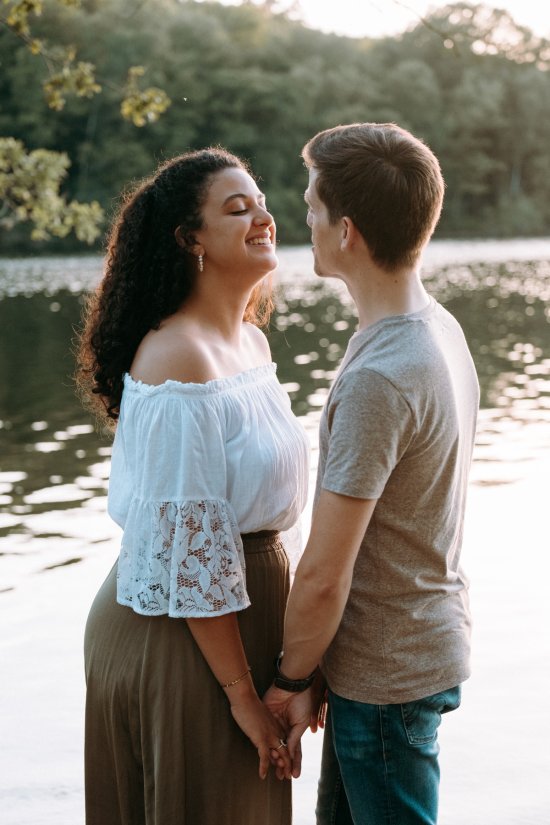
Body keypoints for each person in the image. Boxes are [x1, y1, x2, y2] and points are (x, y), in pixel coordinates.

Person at [75, 146, 310, 825]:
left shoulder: (251, 344)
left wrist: (300, 657)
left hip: (245, 622)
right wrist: (240, 694)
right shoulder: (179, 355)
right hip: (184, 639)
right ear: (190, 241)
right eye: (238, 209)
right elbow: (191, 548)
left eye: (262, 202)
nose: (263, 216)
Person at [263, 122, 480, 825]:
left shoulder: (383, 376)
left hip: (388, 682)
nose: (303, 219)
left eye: (312, 208)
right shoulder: (435, 326)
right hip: (401, 655)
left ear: (346, 231)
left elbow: (325, 570)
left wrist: (290, 676)